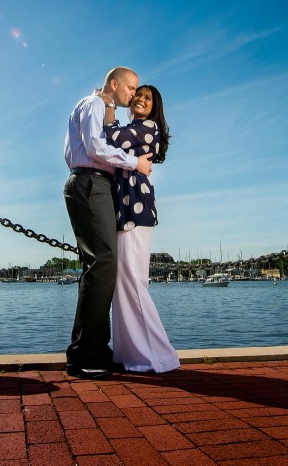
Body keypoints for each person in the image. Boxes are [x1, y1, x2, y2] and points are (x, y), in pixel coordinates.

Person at [64, 67, 153, 379]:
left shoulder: (104, 108)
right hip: (91, 183)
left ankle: (94, 351)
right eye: (130, 88)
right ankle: (85, 355)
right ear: (114, 85)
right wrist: (134, 163)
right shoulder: (95, 105)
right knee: (102, 263)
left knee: (101, 265)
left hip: (98, 185)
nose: (133, 94)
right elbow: (94, 147)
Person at [102, 85, 180, 373]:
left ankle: (157, 357)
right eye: (139, 95)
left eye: (148, 98)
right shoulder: (134, 127)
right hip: (126, 209)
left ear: (154, 107)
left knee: (133, 282)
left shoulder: (148, 128)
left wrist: (106, 102)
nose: (141, 99)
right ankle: (129, 354)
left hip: (136, 208)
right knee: (124, 282)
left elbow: (110, 137)